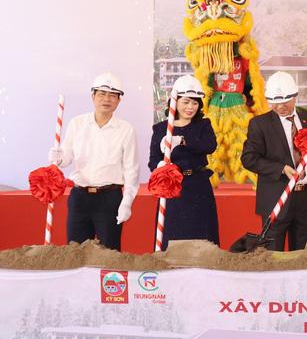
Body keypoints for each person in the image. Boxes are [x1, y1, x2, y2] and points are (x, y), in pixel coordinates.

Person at [241, 71, 307, 251]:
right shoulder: (260, 124)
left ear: (295, 96)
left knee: (302, 252)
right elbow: (249, 158)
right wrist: (281, 168)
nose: (280, 106)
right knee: (273, 254)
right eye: (275, 102)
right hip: (276, 198)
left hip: (305, 197)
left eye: (286, 101)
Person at [48, 72, 139, 251]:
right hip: (80, 197)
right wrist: (58, 157)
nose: (107, 99)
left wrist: (127, 201)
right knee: (76, 251)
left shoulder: (126, 129)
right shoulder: (77, 123)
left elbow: (131, 169)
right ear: (93, 96)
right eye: (102, 94)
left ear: (119, 100)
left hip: (109, 198)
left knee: (110, 254)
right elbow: (67, 157)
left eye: (112, 95)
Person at [147, 75, 219, 249]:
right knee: (172, 235)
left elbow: (209, 145)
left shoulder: (203, 125)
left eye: (194, 103)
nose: (190, 107)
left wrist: (183, 140)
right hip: (172, 188)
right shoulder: (161, 129)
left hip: (199, 186)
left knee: (202, 236)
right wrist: (161, 167)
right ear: (175, 101)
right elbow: (153, 160)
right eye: (186, 102)